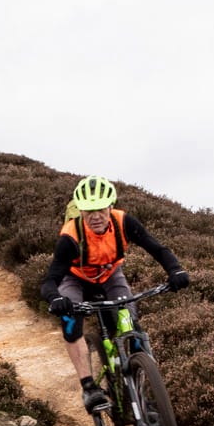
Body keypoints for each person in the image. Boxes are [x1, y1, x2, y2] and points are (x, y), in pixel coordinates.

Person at [39, 175, 190, 413]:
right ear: (80, 210)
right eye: (89, 210)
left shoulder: (123, 222)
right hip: (75, 278)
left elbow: (158, 249)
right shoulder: (70, 237)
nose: (95, 216)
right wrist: (56, 298)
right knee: (70, 322)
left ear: (111, 206)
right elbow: (51, 279)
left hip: (110, 275)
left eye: (101, 209)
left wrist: (175, 270)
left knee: (130, 322)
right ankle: (89, 387)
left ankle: (143, 386)